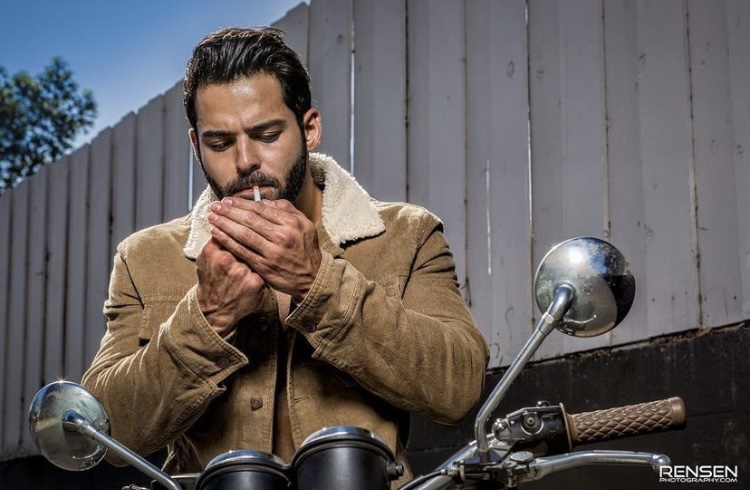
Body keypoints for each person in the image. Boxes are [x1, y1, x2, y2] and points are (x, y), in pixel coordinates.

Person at [81, 27, 489, 485]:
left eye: (267, 134)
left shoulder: (406, 234)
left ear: (309, 129)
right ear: (196, 146)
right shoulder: (145, 258)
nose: (245, 161)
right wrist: (207, 318)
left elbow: (459, 388)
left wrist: (318, 282)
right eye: (220, 143)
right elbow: (105, 432)